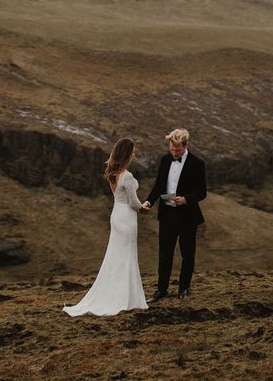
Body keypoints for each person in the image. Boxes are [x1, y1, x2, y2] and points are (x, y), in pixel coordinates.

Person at [63, 137, 148, 316]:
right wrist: (144, 207)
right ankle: (127, 298)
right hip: (127, 217)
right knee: (127, 256)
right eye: (132, 151)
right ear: (127, 153)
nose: (134, 153)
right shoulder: (127, 176)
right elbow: (134, 203)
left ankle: (121, 294)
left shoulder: (113, 173)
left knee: (116, 255)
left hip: (117, 215)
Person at [141, 128, 207, 301]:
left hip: (187, 216)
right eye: (172, 149)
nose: (174, 152)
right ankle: (161, 290)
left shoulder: (197, 163)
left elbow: (202, 192)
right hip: (167, 214)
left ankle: (184, 288)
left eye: (177, 150)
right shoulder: (164, 160)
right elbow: (158, 185)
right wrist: (149, 202)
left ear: (185, 146)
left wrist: (186, 199)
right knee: (165, 254)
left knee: (187, 254)